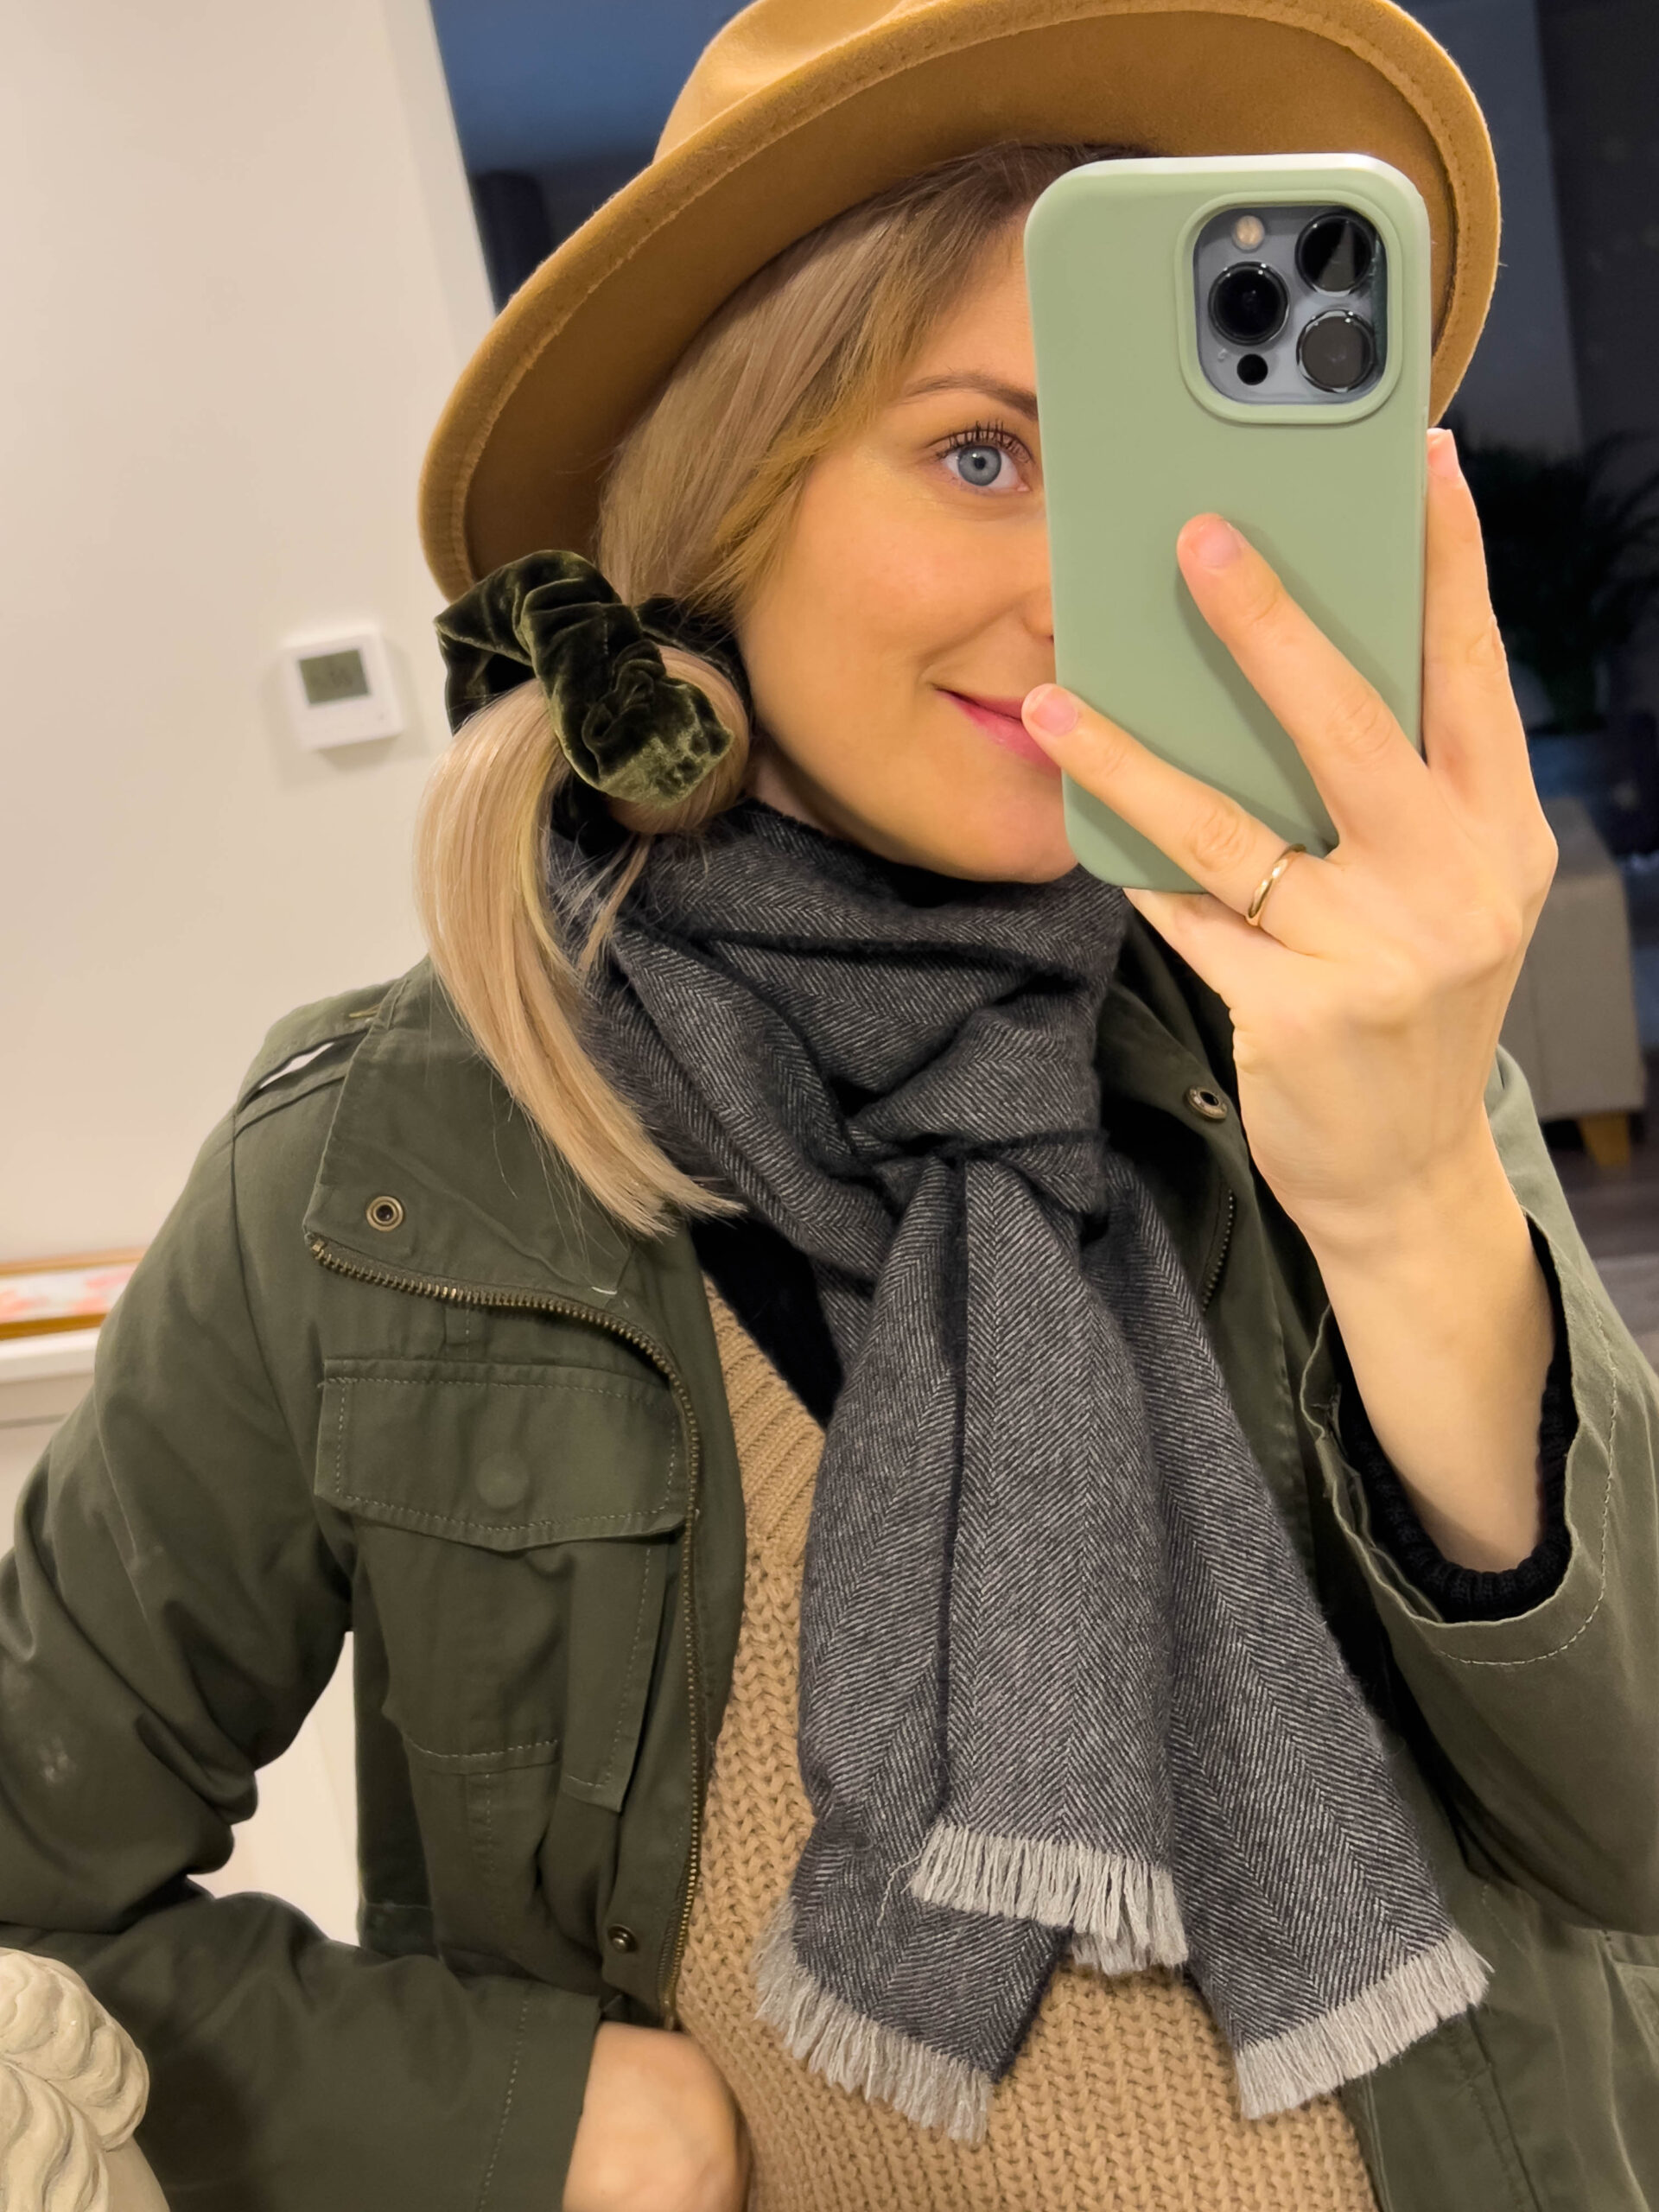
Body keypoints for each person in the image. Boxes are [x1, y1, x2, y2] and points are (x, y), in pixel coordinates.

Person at [3, 3, 1656, 2209]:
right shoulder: (381, 1169)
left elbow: (1630, 1832)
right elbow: (37, 1871)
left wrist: (1413, 1188)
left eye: (1168, 480)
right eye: (982, 453)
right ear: (728, 494)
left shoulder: (1343, 1035)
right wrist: (525, 2114)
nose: (1089, 591)